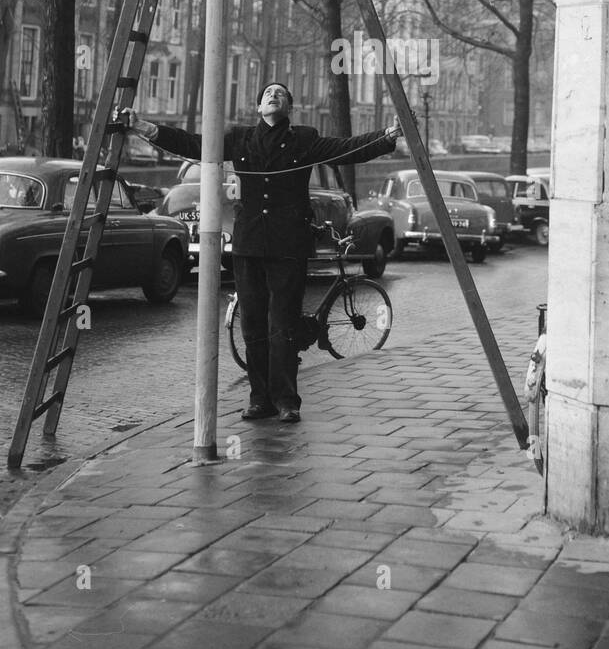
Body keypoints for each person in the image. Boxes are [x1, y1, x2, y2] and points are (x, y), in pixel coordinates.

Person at [122, 84, 401, 423]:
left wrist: (387, 136)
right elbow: (193, 143)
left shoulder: (304, 138)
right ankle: (260, 400)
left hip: (288, 244)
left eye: (282, 94)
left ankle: (287, 401)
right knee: (252, 324)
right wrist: (145, 128)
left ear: (289, 108)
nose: (274, 95)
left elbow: (346, 149)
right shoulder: (239, 139)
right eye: (268, 93)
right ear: (258, 108)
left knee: (283, 323)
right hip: (249, 244)